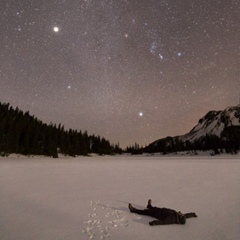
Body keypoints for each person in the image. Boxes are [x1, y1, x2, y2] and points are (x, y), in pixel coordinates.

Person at [128, 199, 197, 226]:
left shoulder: (172, 219)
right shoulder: (179, 216)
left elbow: (163, 222)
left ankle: (134, 210)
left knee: (146, 212)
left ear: (180, 217)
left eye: (181, 214)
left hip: (157, 214)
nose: (181, 213)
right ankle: (149, 206)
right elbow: (186, 215)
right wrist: (192, 214)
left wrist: (154, 223)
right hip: (161, 210)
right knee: (154, 208)